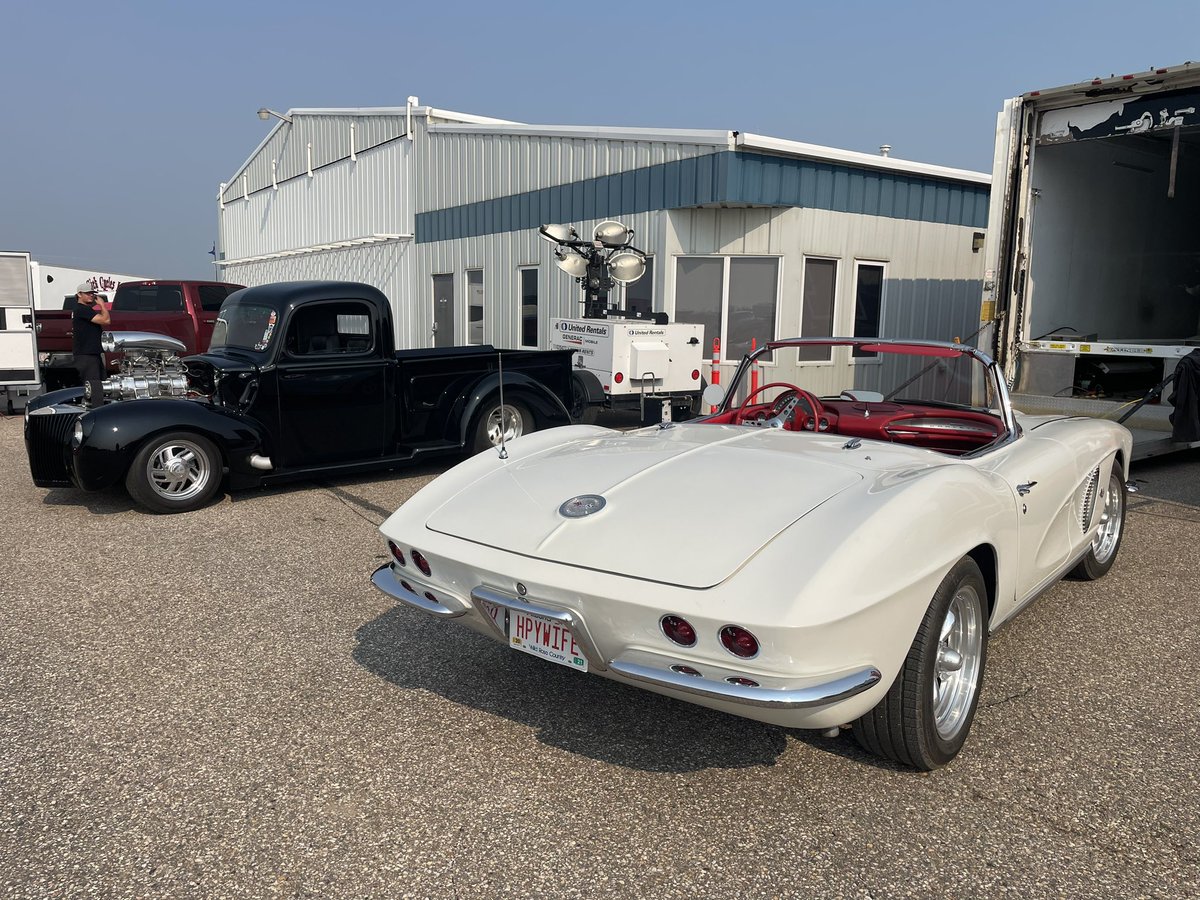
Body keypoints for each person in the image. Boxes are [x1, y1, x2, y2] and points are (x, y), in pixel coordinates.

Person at [72, 282, 111, 387]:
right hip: (87, 354)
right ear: (79, 294)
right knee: (94, 387)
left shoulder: (86, 310)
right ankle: (94, 403)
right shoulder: (82, 309)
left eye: (92, 293)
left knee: (101, 385)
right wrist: (102, 305)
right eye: (88, 293)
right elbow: (106, 320)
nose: (91, 295)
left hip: (92, 354)